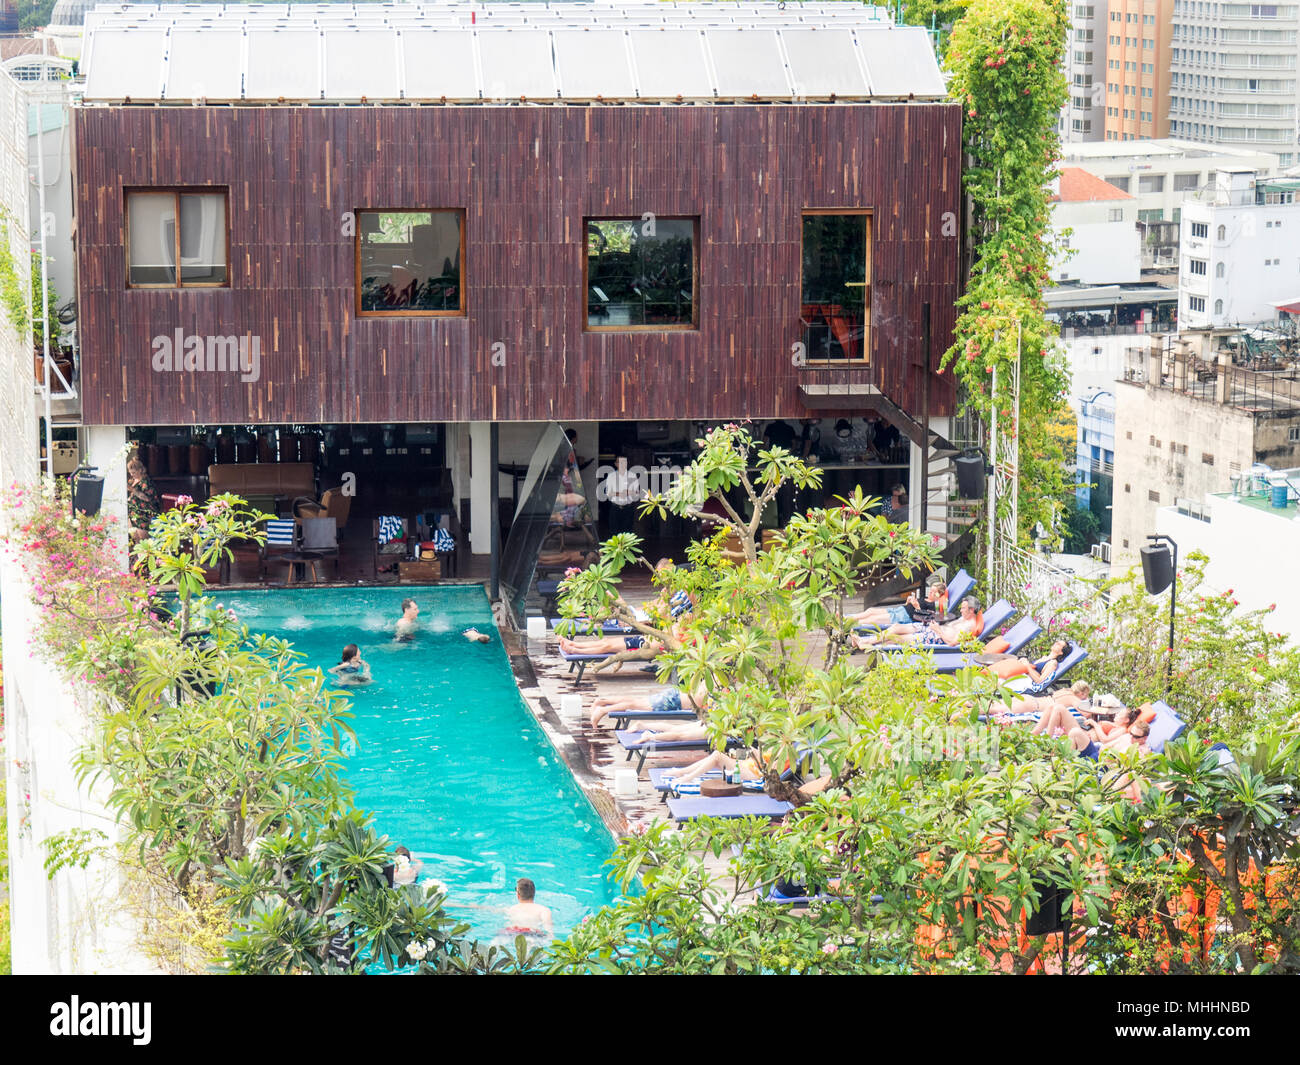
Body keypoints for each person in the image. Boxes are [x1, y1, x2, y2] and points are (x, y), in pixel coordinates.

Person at [853, 595, 983, 649]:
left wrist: (938, 630)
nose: (960, 610)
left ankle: (864, 642)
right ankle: (865, 641)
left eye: (964, 608)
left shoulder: (970, 626)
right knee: (896, 627)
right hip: (931, 629)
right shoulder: (964, 618)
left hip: (933, 637)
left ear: (972, 610)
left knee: (896, 638)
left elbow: (953, 642)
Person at [588, 683, 710, 729]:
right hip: (675, 701)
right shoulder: (717, 684)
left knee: (637, 701)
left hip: (675, 695)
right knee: (635, 704)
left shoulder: (714, 677)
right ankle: (602, 710)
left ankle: (603, 701)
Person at [848, 573, 947, 629]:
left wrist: (917, 607)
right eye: (931, 590)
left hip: (903, 617)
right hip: (899, 610)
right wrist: (908, 602)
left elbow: (925, 619)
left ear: (938, 596)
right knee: (871, 611)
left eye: (934, 592)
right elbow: (909, 606)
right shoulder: (925, 597)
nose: (931, 592)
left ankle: (848, 625)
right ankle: (848, 619)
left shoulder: (932, 606)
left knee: (871, 620)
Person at [126, 452, 162, 544]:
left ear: (140, 470)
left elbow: (147, 498)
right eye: (130, 473)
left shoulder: (145, 482)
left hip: (143, 514)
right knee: (135, 539)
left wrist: (133, 490)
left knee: (144, 541)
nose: (132, 475)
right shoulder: (132, 480)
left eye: (134, 472)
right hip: (133, 513)